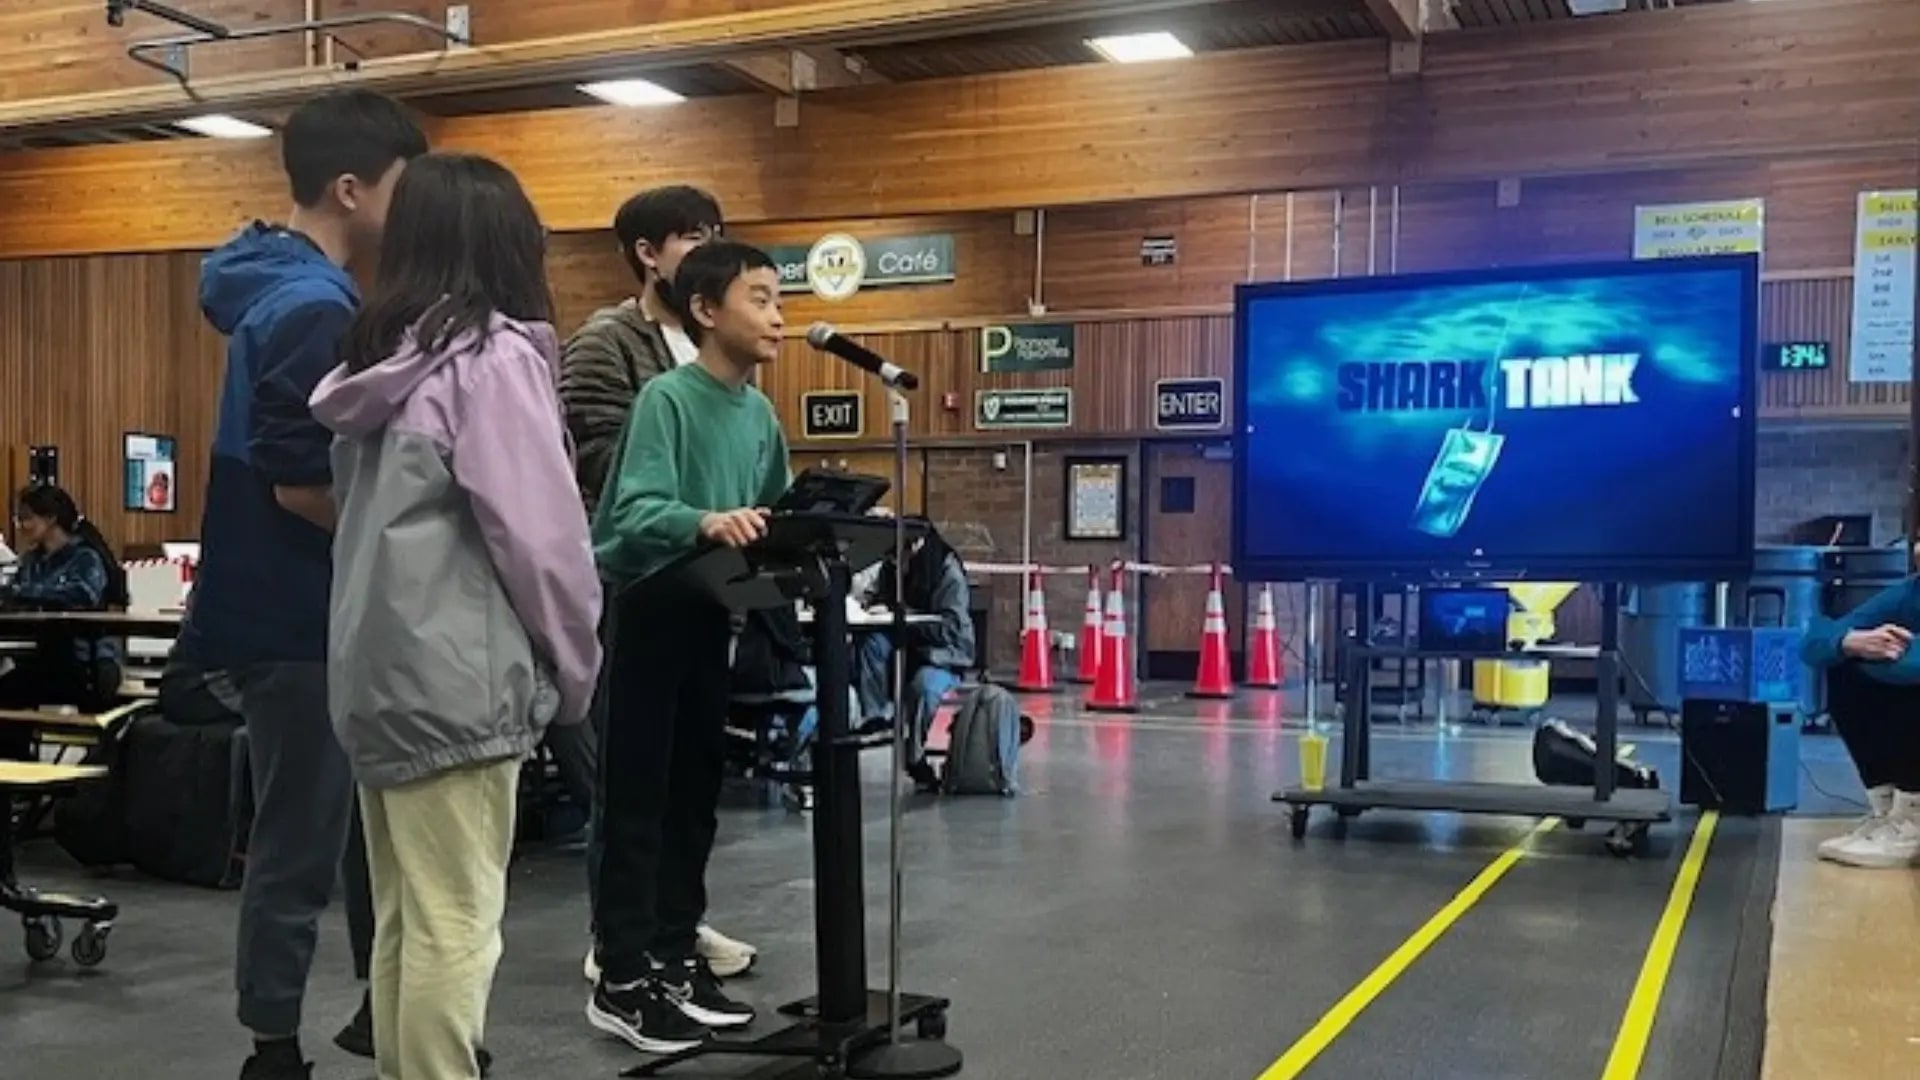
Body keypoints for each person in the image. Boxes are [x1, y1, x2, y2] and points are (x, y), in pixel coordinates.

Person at [312, 151, 602, 1080]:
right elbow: (542, 540)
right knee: (457, 927)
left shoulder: (379, 364)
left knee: (405, 922)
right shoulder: (492, 361)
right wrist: (577, 668)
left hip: (374, 675)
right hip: (460, 685)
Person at [179, 87, 427, 1080]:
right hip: (294, 620)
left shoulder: (292, 293)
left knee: (361, 833)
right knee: (301, 840)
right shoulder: (311, 309)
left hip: (303, 614)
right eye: (404, 190)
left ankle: (380, 1005)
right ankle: (272, 1046)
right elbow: (299, 483)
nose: (410, 213)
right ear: (351, 188)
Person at [587, 240, 789, 1054]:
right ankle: (622, 975)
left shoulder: (763, 415)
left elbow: (772, 515)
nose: (777, 316)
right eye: (760, 298)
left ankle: (674, 957)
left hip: (715, 617)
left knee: (694, 800)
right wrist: (701, 520)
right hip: (648, 612)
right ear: (707, 311)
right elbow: (629, 514)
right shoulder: (666, 400)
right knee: (637, 800)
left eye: (781, 299)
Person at [561, 185, 757, 984]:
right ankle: (620, 937)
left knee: (692, 776)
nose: (708, 246)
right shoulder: (607, 344)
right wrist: (698, 512)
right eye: (692, 236)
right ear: (649, 253)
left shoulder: (722, 346)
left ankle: (678, 922)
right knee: (632, 776)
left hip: (711, 589)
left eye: (718, 233)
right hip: (636, 580)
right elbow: (598, 463)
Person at [0, 486, 130, 758]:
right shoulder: (32, 561)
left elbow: (81, 595)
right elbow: (15, 592)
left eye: (27, 517)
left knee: (12, 694)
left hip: (86, 663)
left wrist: (22, 595)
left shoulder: (85, 557)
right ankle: (16, 776)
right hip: (45, 658)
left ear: (50, 519)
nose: (21, 525)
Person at [1801, 577, 1920, 869]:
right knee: (1846, 664)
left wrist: (1899, 650)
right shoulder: (1911, 592)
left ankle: (1913, 822)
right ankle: (1893, 814)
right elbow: (1812, 642)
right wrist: (1847, 642)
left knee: (1908, 683)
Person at [853, 521, 975, 789]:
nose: (897, 564)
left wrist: (906, 617)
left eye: (901, 556)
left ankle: (915, 754)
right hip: (904, 644)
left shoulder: (946, 571)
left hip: (942, 654)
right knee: (871, 645)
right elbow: (871, 593)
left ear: (916, 546)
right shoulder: (890, 567)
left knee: (924, 687)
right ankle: (876, 718)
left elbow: (953, 627)